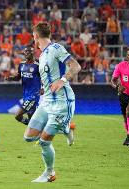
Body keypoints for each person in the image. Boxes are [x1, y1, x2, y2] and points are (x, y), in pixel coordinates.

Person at [27, 22, 81, 182]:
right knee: (29, 137)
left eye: (33, 37)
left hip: (62, 102)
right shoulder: (42, 55)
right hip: (47, 101)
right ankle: (66, 128)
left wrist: (62, 80)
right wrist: (45, 88)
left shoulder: (56, 48)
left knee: (44, 142)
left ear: (35, 36)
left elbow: (75, 66)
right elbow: (49, 76)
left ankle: (49, 174)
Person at [5, 46, 42, 125]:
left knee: (18, 115)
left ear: (33, 53)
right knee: (31, 118)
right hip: (25, 95)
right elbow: (18, 77)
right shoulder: (21, 65)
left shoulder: (38, 65)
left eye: (29, 51)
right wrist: (11, 78)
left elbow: (45, 78)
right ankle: (38, 129)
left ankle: (37, 129)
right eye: (26, 52)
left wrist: (43, 88)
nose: (27, 53)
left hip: (34, 95)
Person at [111, 48, 129, 146]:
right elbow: (113, 80)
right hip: (124, 94)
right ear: (127, 57)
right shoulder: (121, 66)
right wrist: (118, 86)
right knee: (125, 117)